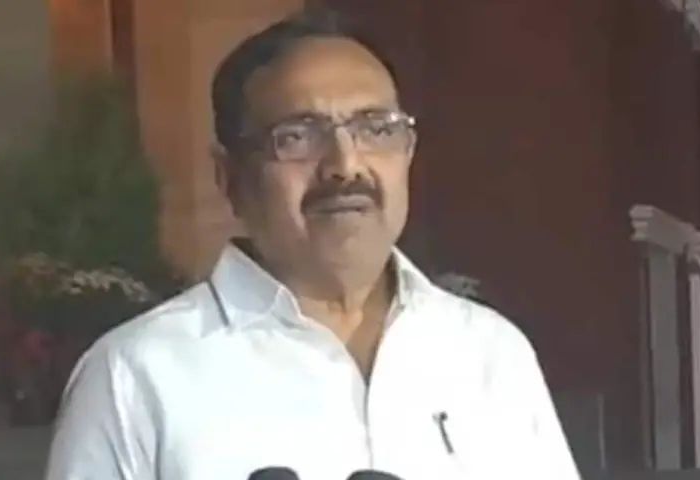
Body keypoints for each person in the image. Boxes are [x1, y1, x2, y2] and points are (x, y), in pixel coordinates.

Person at [45, 9, 580, 480]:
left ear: (409, 152)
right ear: (230, 177)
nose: (346, 166)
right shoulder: (136, 374)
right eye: (298, 136)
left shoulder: (489, 352)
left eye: (376, 129)